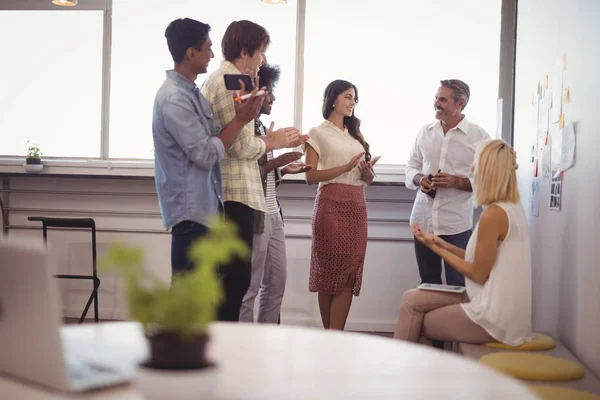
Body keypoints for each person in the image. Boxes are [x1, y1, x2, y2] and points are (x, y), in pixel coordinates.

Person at [201, 20, 308, 321]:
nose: (263, 60)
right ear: (246, 50)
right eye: (261, 52)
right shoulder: (228, 80)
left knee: (237, 282)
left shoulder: (233, 79)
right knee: (234, 283)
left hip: (240, 194)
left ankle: (235, 352)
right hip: (233, 193)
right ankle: (230, 354)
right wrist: (274, 140)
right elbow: (240, 146)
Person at [152, 18, 264, 279]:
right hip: (191, 213)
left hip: (205, 211)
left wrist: (245, 111)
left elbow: (216, 135)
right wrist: (239, 120)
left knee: (204, 302)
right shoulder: (173, 98)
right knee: (188, 303)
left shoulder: (192, 93)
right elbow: (204, 154)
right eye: (208, 48)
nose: (213, 54)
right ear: (191, 53)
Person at [394, 140, 532, 347]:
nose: (472, 169)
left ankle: (411, 374)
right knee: (411, 298)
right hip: (491, 300)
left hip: (494, 316)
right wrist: (441, 244)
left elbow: (477, 273)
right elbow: (481, 260)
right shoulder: (510, 207)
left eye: (476, 164)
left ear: (487, 171)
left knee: (419, 320)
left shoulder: (495, 215)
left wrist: (437, 250)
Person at [240, 64, 312, 324]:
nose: (273, 98)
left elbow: (264, 174)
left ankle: (267, 339)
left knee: (276, 283)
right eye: (269, 92)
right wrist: (276, 159)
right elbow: (246, 175)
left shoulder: (262, 128)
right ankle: (244, 344)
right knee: (249, 286)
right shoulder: (246, 128)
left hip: (273, 213)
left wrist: (283, 168)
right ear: (257, 93)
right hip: (257, 214)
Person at [304, 79, 377, 331]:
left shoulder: (355, 134)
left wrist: (368, 173)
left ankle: (337, 336)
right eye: (348, 96)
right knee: (329, 277)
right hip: (330, 207)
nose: (352, 102)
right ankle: (330, 338)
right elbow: (310, 176)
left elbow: (365, 180)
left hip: (357, 206)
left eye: (354, 97)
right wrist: (344, 168)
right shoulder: (317, 133)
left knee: (348, 275)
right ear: (333, 99)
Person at [405, 79, 490, 287]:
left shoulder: (480, 137)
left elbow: (487, 181)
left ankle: (451, 321)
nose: (436, 103)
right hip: (423, 222)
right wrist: (420, 179)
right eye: (436, 98)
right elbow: (411, 167)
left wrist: (456, 182)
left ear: (460, 103)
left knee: (459, 285)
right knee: (428, 283)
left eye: (442, 99)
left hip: (456, 225)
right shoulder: (424, 133)